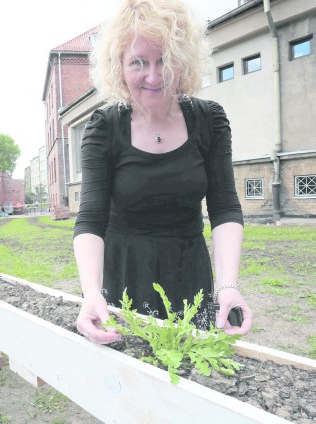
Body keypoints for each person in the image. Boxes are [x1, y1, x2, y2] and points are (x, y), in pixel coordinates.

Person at [73, 0, 253, 345]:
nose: (154, 76)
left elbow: (225, 206)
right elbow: (91, 219)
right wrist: (91, 293)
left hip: (189, 271)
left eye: (165, 60)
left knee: (188, 369)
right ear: (119, 66)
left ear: (183, 62)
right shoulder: (104, 128)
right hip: (125, 273)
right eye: (138, 62)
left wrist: (228, 286)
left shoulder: (210, 120)